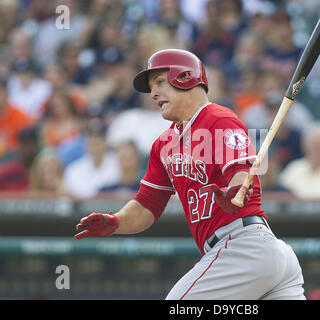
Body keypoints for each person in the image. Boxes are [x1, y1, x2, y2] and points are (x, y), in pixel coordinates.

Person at [74, 49, 305, 300]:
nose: (153, 94)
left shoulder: (218, 118)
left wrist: (236, 191)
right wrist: (116, 222)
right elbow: (146, 205)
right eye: (152, 87)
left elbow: (242, 173)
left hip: (244, 246)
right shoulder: (163, 145)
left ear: (185, 78)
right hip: (254, 256)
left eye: (160, 82)